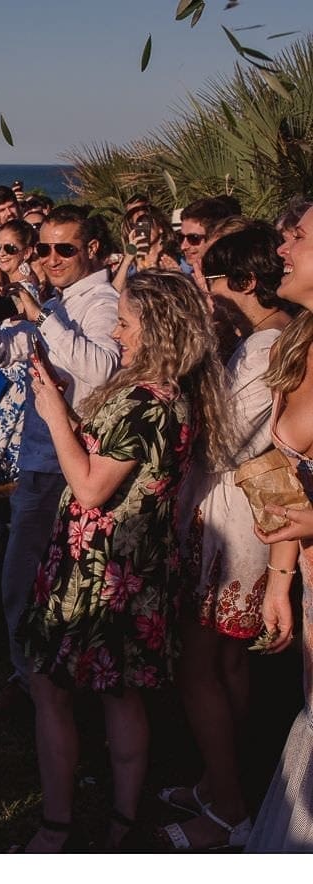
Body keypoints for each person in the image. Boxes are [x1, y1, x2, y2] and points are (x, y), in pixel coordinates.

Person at [18, 270, 232, 851]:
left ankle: (57, 826)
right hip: (133, 564)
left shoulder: (147, 401)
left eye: (126, 321)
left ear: (159, 330)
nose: (115, 331)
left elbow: (89, 487)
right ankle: (118, 823)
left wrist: (53, 411)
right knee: (121, 692)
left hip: (104, 569)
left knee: (52, 688)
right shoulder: (170, 391)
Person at [157, 224, 290, 850]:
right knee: (225, 663)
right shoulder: (264, 341)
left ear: (243, 282)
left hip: (231, 524)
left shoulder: (264, 349)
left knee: (202, 665)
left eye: (209, 278)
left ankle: (228, 806)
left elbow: (225, 438)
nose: (202, 289)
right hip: (234, 518)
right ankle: (220, 781)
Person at [0, 206, 120, 715]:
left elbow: (101, 369)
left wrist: (41, 317)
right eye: (45, 248)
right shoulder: (57, 300)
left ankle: (56, 695)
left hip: (75, 464)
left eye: (65, 249)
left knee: (53, 584)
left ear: (93, 249)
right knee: (21, 581)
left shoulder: (102, 301)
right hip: (38, 456)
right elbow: (11, 355)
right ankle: (31, 682)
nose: (50, 258)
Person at [244, 201, 313, 853]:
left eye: (296, 235)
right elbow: (283, 469)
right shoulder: (302, 337)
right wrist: (279, 576)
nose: (281, 247)